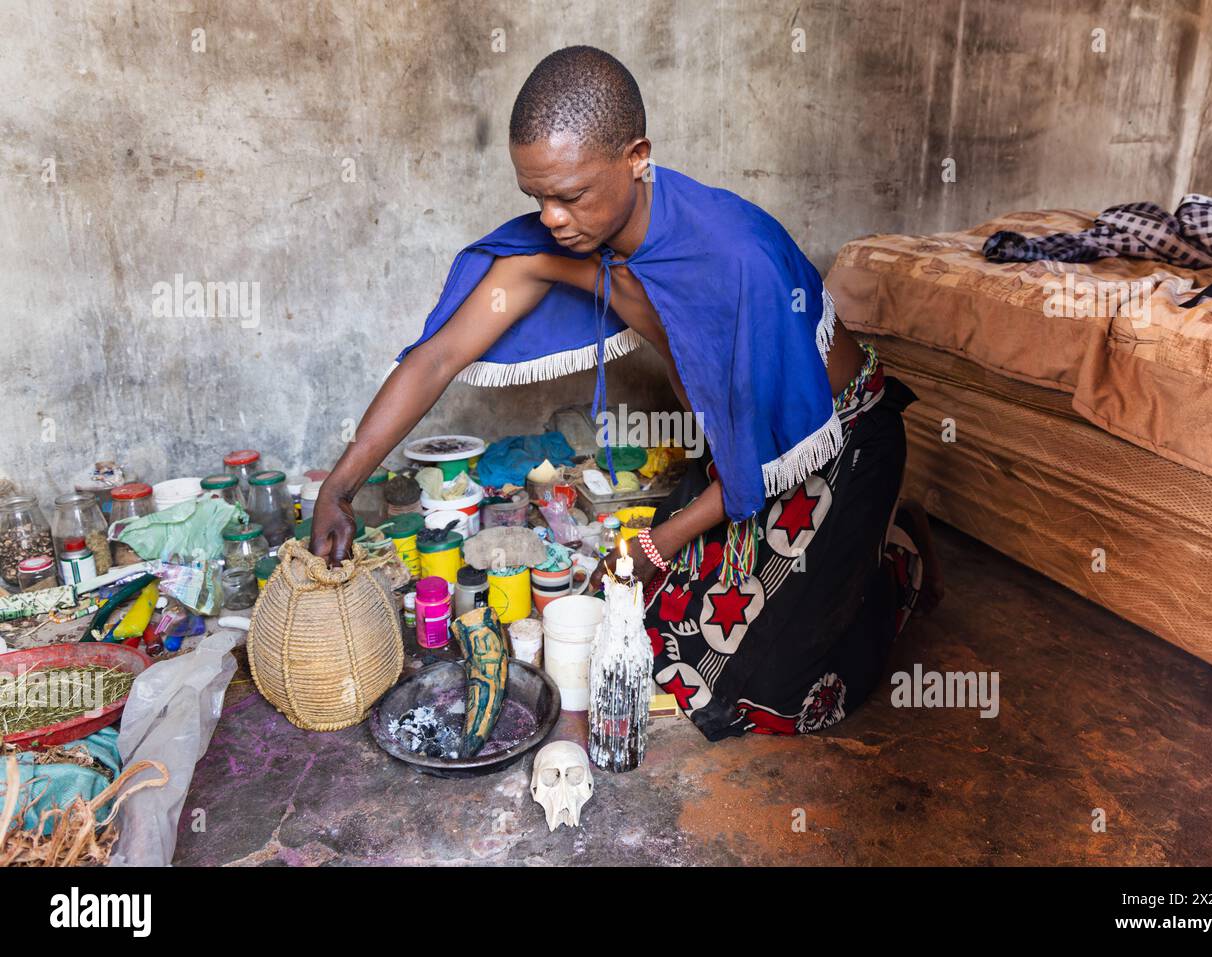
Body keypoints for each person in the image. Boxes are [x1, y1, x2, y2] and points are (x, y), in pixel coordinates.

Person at [311, 45, 942, 739]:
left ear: (637, 155)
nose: (550, 217)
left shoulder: (738, 260)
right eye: (536, 196)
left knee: (760, 692)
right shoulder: (568, 245)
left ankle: (892, 573)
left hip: (835, 439)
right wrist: (338, 486)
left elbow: (771, 451)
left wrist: (660, 539)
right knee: (653, 629)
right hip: (743, 448)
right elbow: (436, 358)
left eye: (570, 194)